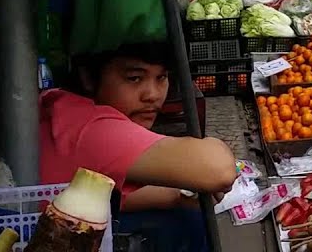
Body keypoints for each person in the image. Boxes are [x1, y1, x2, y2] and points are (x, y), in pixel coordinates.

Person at [40, 43, 237, 251]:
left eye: (161, 77)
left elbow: (110, 193)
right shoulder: (94, 130)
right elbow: (218, 169)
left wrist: (176, 196)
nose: (152, 94)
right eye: (134, 78)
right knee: (191, 224)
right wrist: (213, 144)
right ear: (88, 77)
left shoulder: (62, 105)